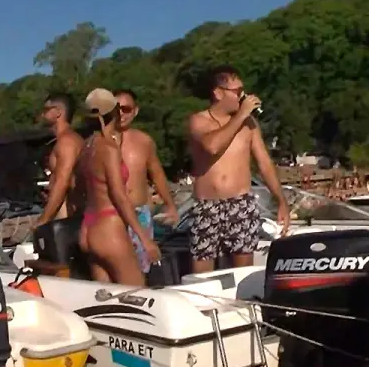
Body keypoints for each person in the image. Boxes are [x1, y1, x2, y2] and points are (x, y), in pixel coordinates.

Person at [187, 65, 289, 273]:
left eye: (243, 91)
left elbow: (264, 163)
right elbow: (212, 146)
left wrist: (281, 201)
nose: (243, 96)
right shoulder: (198, 120)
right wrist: (241, 115)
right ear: (218, 93)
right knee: (202, 274)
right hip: (207, 206)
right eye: (237, 92)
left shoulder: (249, 124)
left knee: (243, 272)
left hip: (240, 204)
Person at [77, 89, 161, 285]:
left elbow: (80, 190)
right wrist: (145, 239)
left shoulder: (85, 148)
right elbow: (119, 196)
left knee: (107, 300)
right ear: (114, 112)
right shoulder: (108, 148)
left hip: (88, 227)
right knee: (137, 295)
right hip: (109, 229)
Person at [114, 88, 179, 274]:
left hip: (140, 213)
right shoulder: (99, 142)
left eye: (126, 109)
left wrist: (170, 205)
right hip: (112, 215)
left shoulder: (144, 141)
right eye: (116, 108)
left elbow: (157, 174)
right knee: (117, 269)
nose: (121, 113)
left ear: (135, 111)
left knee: (141, 270)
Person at [36, 92, 85, 227]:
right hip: (67, 213)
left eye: (46, 110)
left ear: (58, 112)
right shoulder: (64, 140)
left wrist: (44, 219)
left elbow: (62, 182)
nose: (42, 114)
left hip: (70, 217)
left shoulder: (67, 142)